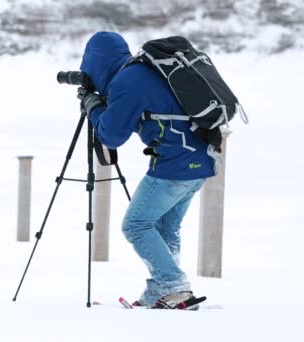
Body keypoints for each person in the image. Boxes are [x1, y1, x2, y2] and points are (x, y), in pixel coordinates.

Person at [77, 31, 219, 309]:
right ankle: (161, 292)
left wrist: (92, 106)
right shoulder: (144, 71)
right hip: (202, 160)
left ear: (95, 63)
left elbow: (112, 136)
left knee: (136, 225)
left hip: (174, 166)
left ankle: (174, 287)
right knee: (166, 225)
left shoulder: (126, 81)